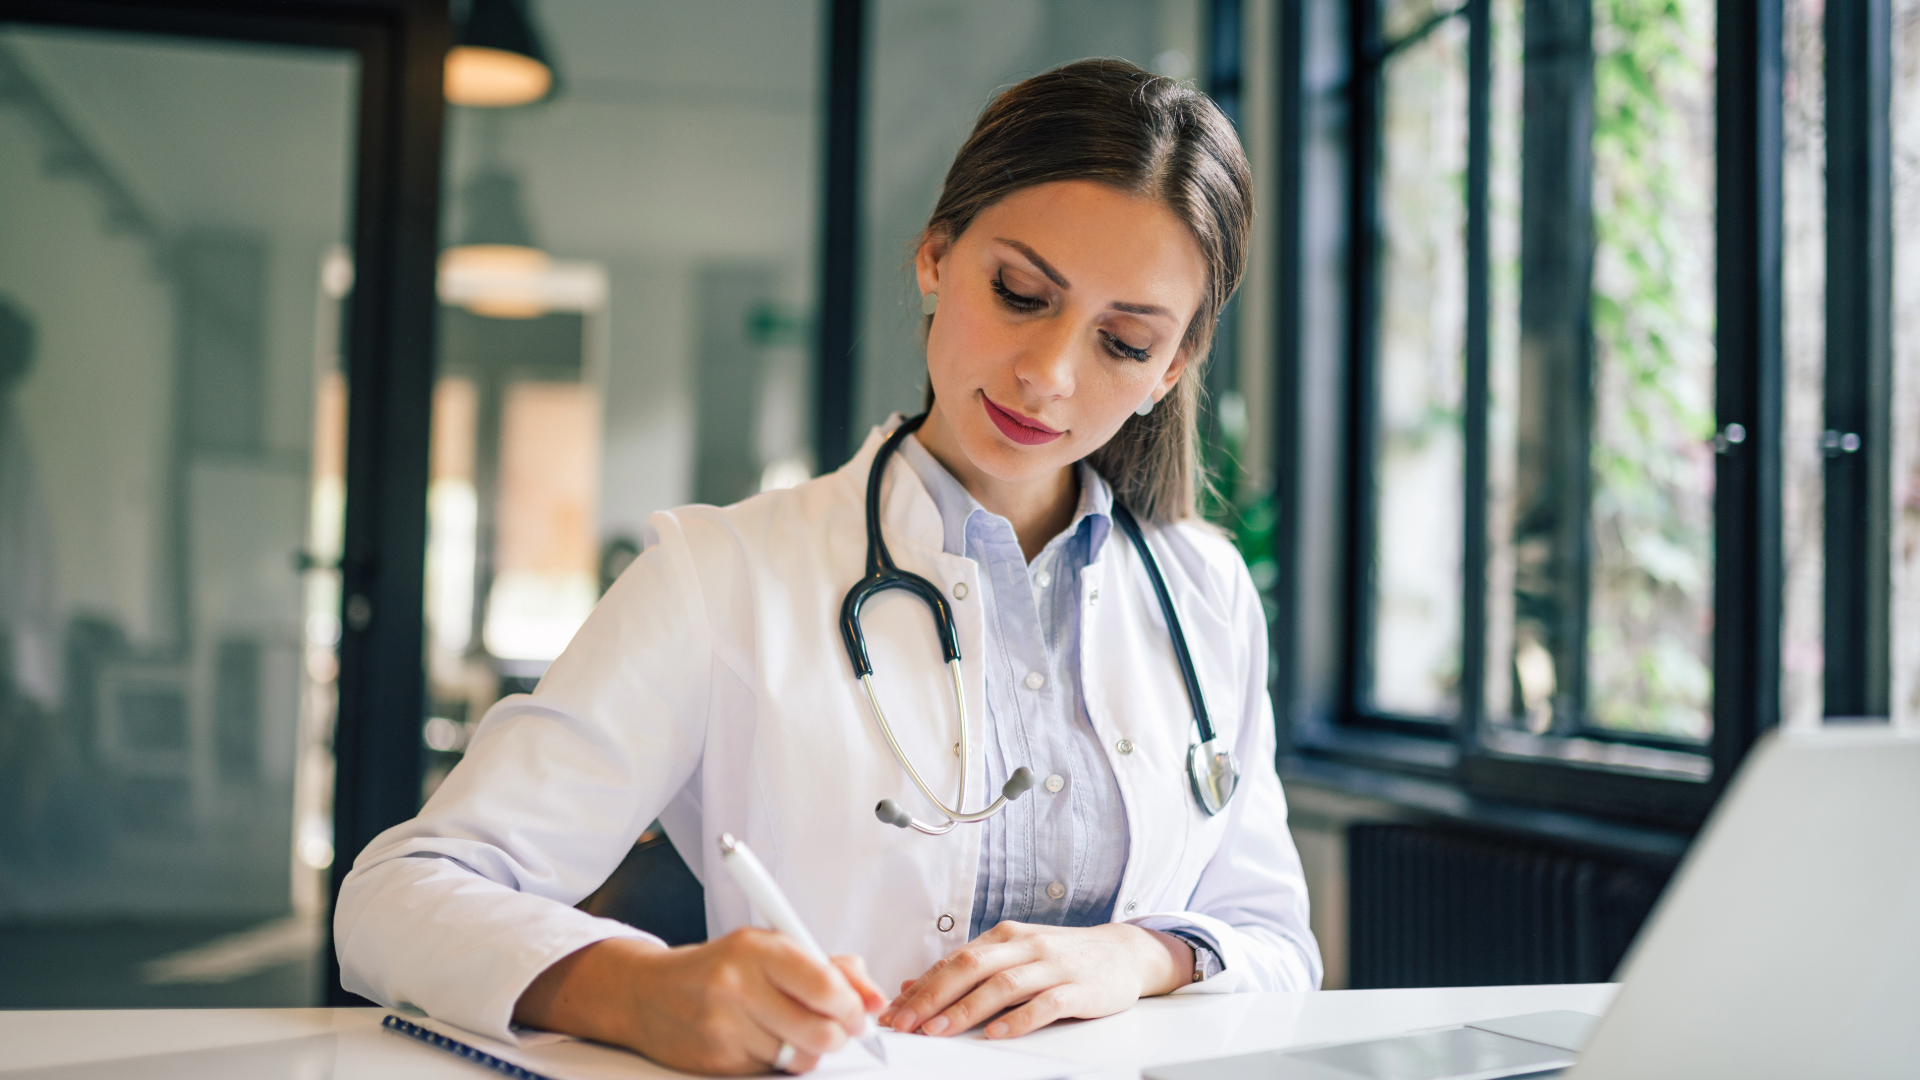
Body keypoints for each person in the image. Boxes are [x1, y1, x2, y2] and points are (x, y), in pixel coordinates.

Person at [336, 58, 1321, 1076]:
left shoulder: (1207, 596)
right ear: (936, 256)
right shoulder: (722, 576)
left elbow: (1277, 944)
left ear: (1172, 371)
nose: (1050, 374)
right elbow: (396, 899)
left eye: (1121, 342)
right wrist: (640, 990)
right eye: (1020, 292)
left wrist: (1140, 954)